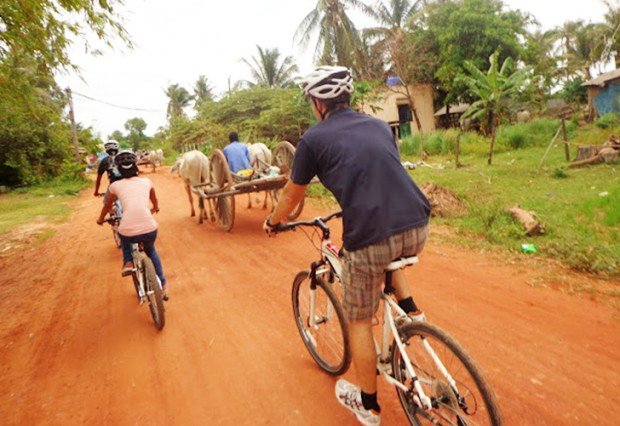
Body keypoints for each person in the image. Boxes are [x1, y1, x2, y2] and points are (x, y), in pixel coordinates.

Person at [263, 66, 430, 426]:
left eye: (311, 100)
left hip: (372, 238)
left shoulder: (312, 140)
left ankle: (368, 405)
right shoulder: (377, 125)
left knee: (357, 319)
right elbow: (379, 172)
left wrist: (273, 221)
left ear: (319, 103)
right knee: (388, 253)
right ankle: (413, 312)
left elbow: (292, 195)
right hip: (418, 223)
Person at [96, 150, 169, 300]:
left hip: (129, 230)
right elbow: (154, 200)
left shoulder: (114, 186)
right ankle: (163, 283)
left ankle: (128, 262)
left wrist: (100, 219)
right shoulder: (147, 181)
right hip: (150, 228)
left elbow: (106, 206)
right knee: (151, 251)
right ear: (135, 166)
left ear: (119, 169)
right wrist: (155, 208)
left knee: (124, 235)